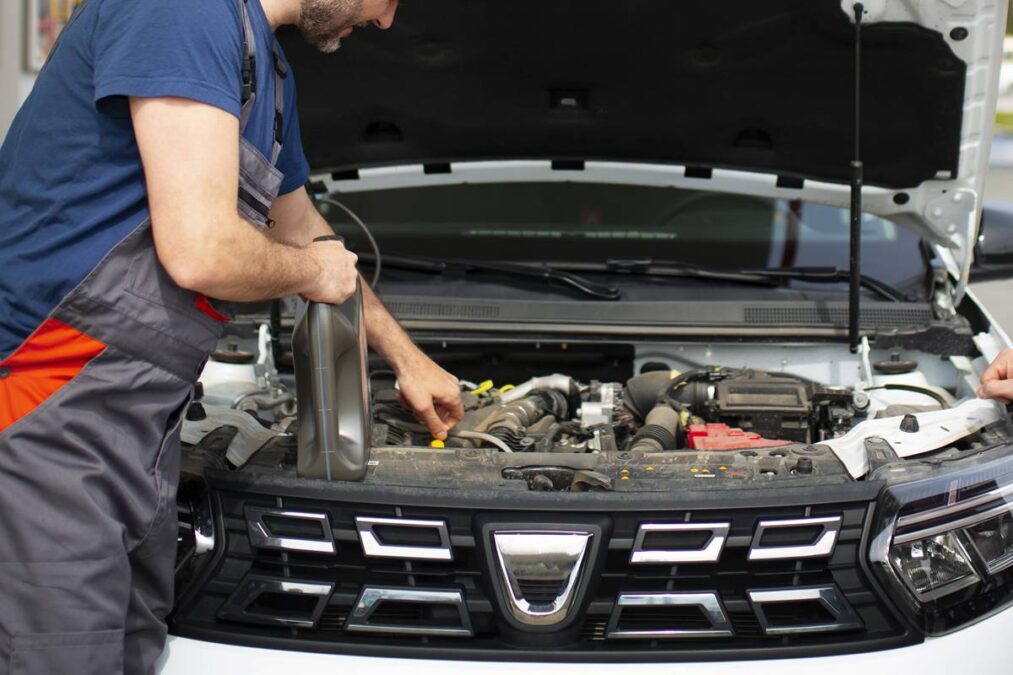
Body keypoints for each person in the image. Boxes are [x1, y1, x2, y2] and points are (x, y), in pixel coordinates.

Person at [0, 0, 463, 672]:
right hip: (51, 407)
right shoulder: (180, 12)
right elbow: (201, 252)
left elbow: (302, 228)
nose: (388, 21)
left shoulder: (264, 69)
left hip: (140, 423)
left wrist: (407, 359)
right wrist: (312, 273)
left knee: (129, 649)